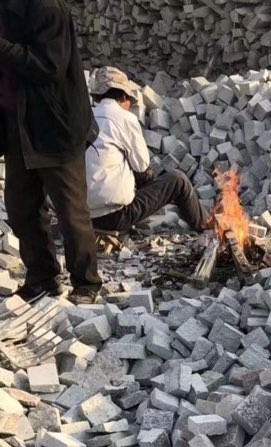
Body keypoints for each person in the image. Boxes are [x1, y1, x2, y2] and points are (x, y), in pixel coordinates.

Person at [0, 0, 101, 303]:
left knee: (71, 211)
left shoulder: (47, 7)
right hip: (18, 127)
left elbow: (49, 66)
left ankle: (86, 284)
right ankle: (42, 279)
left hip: (55, 126)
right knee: (22, 208)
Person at [86, 67, 207, 234]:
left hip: (79, 214)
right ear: (124, 97)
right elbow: (142, 167)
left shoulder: (85, 118)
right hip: (114, 216)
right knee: (178, 180)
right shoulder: (125, 118)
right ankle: (207, 226)